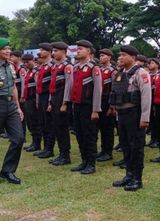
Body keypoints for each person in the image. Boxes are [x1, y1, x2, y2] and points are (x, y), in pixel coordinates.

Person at [110, 45, 151, 191]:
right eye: (119, 55)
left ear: (132, 57)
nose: (119, 57)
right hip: (122, 114)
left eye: (123, 55)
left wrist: (145, 117)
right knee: (126, 146)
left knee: (136, 148)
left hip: (135, 114)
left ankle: (137, 179)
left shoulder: (141, 73)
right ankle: (128, 174)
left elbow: (146, 96)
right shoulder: (120, 73)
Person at [68, 40, 102, 174]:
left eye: (81, 49)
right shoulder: (76, 68)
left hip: (88, 107)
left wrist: (95, 109)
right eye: (77, 49)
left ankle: (91, 163)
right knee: (79, 134)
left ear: (89, 51)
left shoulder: (94, 68)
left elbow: (98, 90)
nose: (78, 51)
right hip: (77, 106)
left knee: (89, 135)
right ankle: (84, 161)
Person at [0, 37, 24, 184]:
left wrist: (18, 106)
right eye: (5, 49)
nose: (9, 51)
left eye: (9, 48)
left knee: (18, 138)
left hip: (10, 106)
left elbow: (13, 86)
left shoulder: (10, 66)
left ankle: (7, 171)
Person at [47, 42, 72, 166]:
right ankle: (61, 154)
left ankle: (65, 155)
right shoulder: (55, 67)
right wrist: (51, 102)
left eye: (56, 51)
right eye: (53, 51)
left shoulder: (67, 66)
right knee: (57, 127)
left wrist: (65, 102)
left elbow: (68, 85)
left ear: (63, 51)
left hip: (62, 99)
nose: (53, 53)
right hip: (55, 99)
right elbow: (52, 86)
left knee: (62, 128)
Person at [34, 42, 55, 158]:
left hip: (48, 96)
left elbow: (52, 85)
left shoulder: (52, 65)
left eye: (42, 50)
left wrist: (50, 101)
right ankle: (45, 147)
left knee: (49, 123)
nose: (40, 52)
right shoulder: (42, 66)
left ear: (48, 52)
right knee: (42, 122)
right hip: (41, 97)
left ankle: (49, 148)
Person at [96, 48, 117, 162]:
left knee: (107, 128)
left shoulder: (112, 71)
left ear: (109, 57)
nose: (101, 58)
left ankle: (108, 152)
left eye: (103, 56)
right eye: (100, 56)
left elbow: (114, 89)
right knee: (101, 127)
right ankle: (103, 150)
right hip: (99, 101)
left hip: (107, 101)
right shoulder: (98, 69)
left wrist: (112, 106)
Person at [21, 54, 42, 154]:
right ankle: (34, 142)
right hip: (27, 100)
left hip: (33, 100)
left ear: (33, 61)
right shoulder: (28, 72)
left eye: (27, 62)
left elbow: (38, 88)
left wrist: (37, 102)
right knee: (30, 122)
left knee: (35, 122)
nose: (26, 64)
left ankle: (37, 144)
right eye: (24, 62)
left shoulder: (36, 72)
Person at [146, 58, 160, 148]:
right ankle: (152, 139)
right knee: (151, 121)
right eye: (149, 63)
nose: (149, 64)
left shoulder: (159, 75)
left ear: (157, 65)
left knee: (157, 121)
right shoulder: (147, 75)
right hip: (149, 100)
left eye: (152, 63)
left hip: (156, 101)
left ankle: (157, 140)